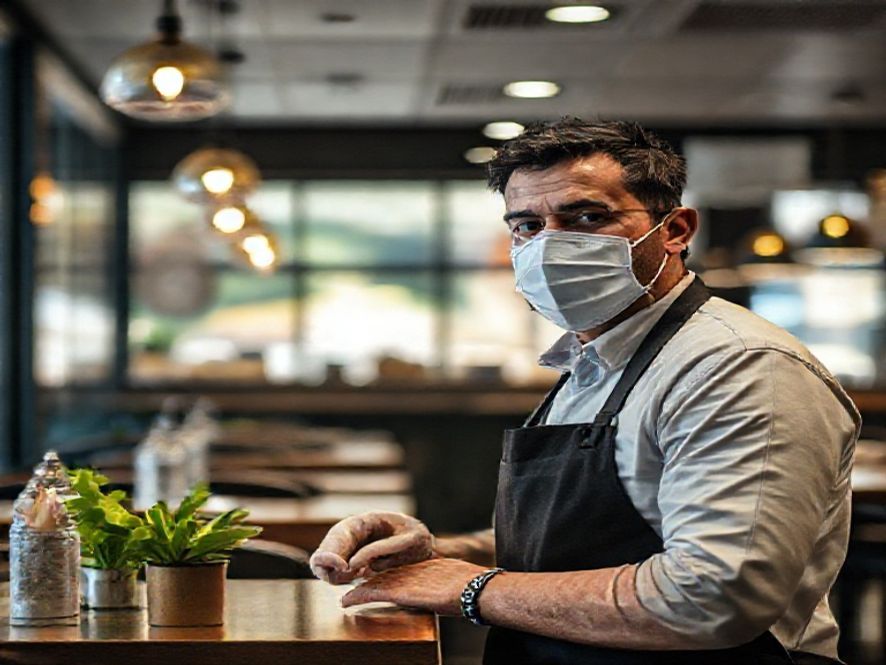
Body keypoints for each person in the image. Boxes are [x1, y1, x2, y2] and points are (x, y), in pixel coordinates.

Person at [309, 119, 860, 665]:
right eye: (526, 225)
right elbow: (585, 548)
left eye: (587, 217)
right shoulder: (595, 359)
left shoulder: (739, 367)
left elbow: (713, 598)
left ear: (676, 230)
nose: (550, 245)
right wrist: (436, 555)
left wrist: (469, 587)